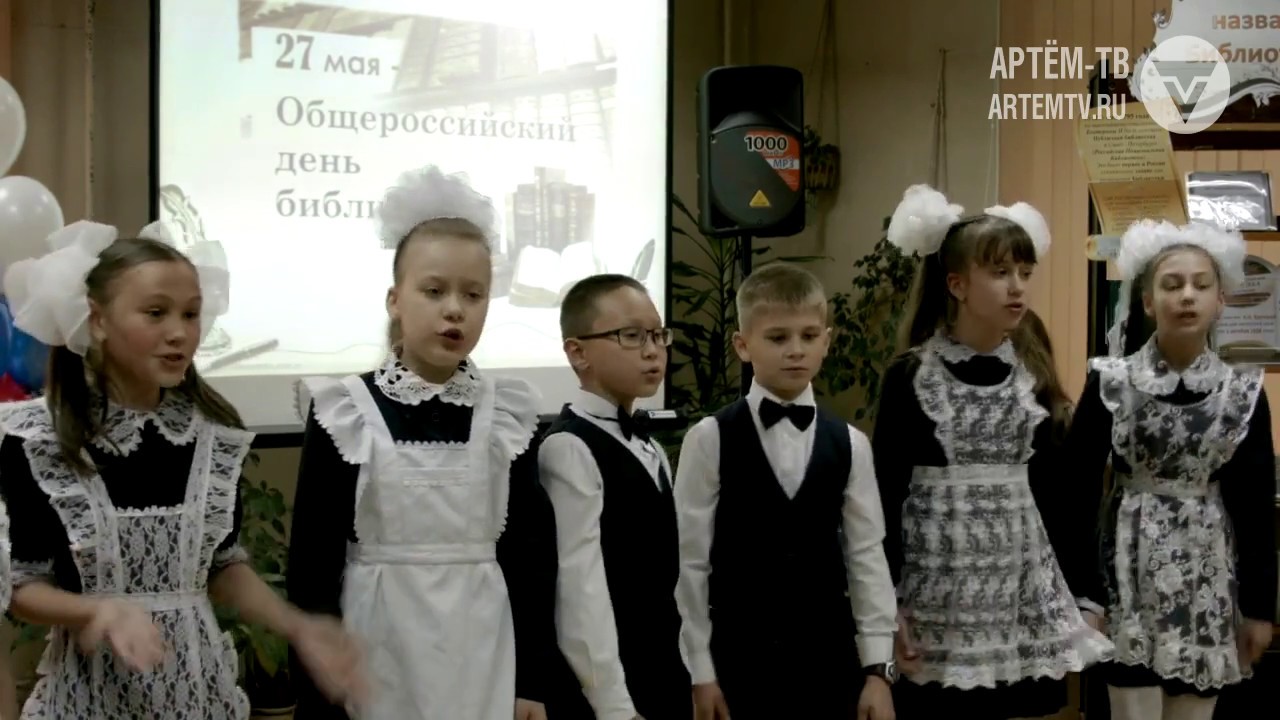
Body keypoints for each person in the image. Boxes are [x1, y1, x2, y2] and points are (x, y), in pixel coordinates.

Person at [0, 220, 364, 719]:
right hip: (88, 699)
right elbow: (21, 585)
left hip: (197, 691)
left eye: (191, 314)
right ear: (98, 320)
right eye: (156, 313)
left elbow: (222, 566)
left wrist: (296, 625)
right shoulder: (39, 439)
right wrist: (97, 610)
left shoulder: (213, 436)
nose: (180, 333)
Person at [286, 166, 556, 720]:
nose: (454, 308)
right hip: (377, 649)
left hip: (482, 650)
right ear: (395, 299)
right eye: (434, 291)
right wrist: (319, 698)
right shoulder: (345, 411)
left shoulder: (506, 416)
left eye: (473, 294)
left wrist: (531, 681)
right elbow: (312, 567)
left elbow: (530, 559)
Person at [873, 185, 1112, 719]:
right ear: (956, 284)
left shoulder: (1032, 379)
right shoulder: (911, 378)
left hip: (1016, 603)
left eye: (1025, 272)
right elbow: (883, 498)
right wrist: (885, 606)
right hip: (935, 604)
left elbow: (1063, 501)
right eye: (1001, 272)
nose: (1017, 286)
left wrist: (1085, 595)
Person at [1059, 219, 1277, 720]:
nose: (1187, 296)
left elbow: (1254, 506)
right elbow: (1075, 493)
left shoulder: (1242, 392)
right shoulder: (1111, 382)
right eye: (1172, 285)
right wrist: (1082, 597)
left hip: (1207, 578)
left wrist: (1260, 609)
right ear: (1148, 301)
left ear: (1220, 300)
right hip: (1125, 578)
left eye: (1201, 285)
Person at [673, 262, 898, 720]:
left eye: (809, 336)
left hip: (828, 661)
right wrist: (700, 670)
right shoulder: (709, 438)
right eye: (778, 338)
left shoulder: (851, 443)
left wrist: (878, 670)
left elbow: (867, 558)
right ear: (742, 345)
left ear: (826, 341)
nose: (796, 350)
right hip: (738, 661)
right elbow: (689, 562)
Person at [539, 273, 689, 720]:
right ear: (577, 352)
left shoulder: (651, 446)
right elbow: (580, 591)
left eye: (658, 335)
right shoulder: (569, 448)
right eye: (631, 335)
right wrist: (614, 706)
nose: (652, 350)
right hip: (614, 688)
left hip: (665, 672)